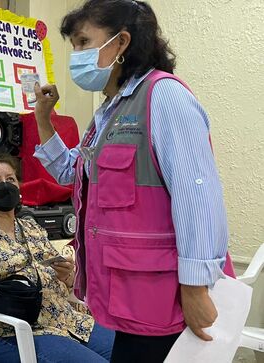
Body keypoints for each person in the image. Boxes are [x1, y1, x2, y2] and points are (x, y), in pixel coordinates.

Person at [32, 1, 235, 362]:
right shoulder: (109, 112)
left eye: (83, 42)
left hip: (167, 301)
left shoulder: (165, 96)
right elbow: (75, 173)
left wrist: (195, 287)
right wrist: (44, 120)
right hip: (131, 301)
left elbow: (197, 195)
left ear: (121, 42)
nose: (75, 55)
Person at [0, 152, 115, 363]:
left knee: (134, 354)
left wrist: (67, 275)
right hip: (12, 331)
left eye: (10, 179)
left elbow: (61, 279)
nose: (5, 184)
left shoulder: (31, 227)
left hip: (66, 320)